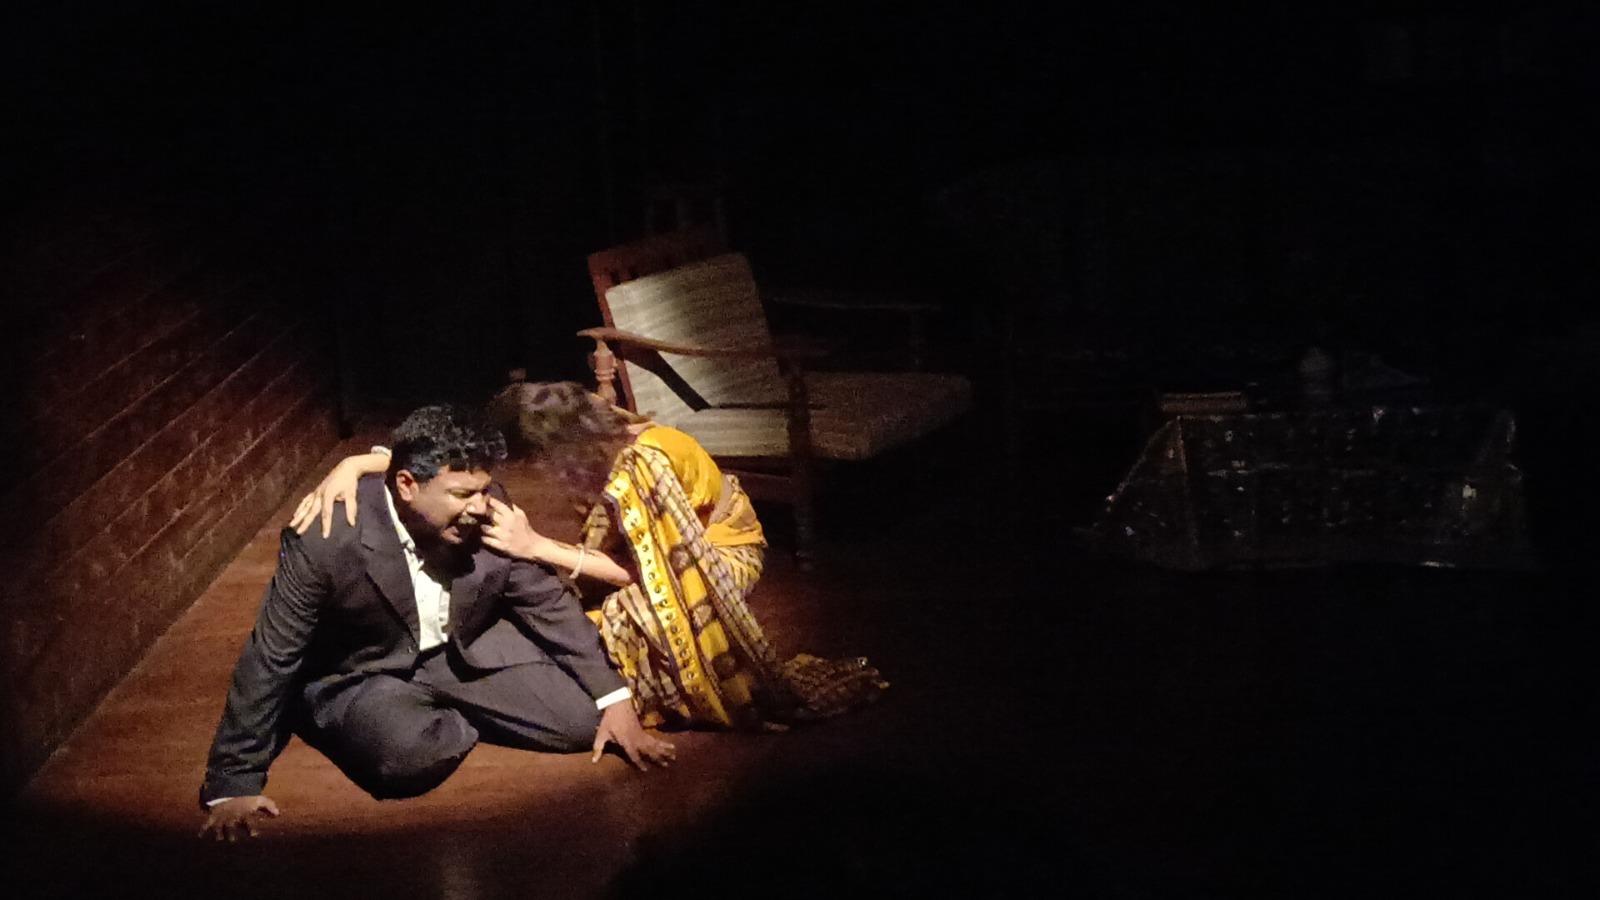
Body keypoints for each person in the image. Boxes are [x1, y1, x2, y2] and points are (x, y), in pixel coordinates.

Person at [293, 381, 887, 733]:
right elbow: (441, 465)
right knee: (556, 605)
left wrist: (538, 547)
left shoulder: (642, 469)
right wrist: (359, 462)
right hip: (646, 548)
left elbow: (656, 572)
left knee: (626, 620)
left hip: (712, 558)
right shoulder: (598, 428)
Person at [199, 405, 672, 842]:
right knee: (404, 761)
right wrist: (232, 781)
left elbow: (544, 599)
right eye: (463, 494)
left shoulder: (484, 506)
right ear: (407, 486)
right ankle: (352, 713)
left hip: (460, 649)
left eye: (484, 490)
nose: (480, 505)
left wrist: (614, 696)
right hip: (368, 669)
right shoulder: (326, 536)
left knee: (584, 721)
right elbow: (271, 654)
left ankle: (446, 707)